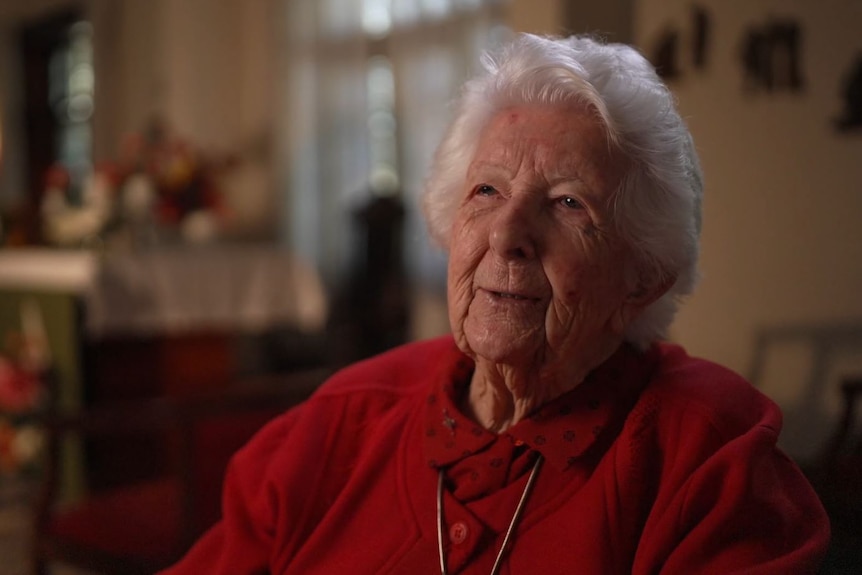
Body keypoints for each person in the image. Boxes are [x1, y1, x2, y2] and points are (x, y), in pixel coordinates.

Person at [160, 33, 829, 575]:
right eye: (486, 191)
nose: (508, 235)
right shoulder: (339, 423)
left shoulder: (709, 462)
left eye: (569, 203)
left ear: (642, 278)